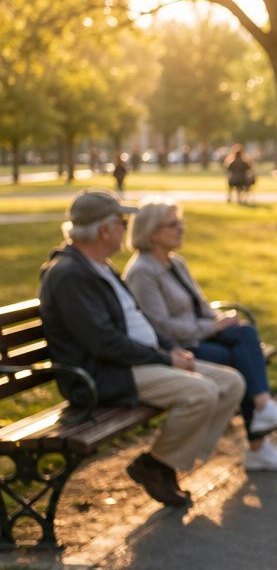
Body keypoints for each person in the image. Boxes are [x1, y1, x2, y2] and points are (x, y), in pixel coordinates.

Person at [38, 190, 245, 507]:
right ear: (104, 230)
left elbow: (140, 321)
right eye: (121, 221)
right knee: (200, 392)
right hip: (103, 375)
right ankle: (155, 466)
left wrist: (170, 350)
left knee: (230, 382)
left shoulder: (101, 267)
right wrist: (165, 358)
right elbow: (102, 342)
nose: (126, 228)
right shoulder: (69, 276)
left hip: (137, 362)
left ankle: (164, 463)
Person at [123, 199, 277, 472]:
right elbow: (162, 328)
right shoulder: (141, 272)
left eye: (181, 222)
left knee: (245, 333)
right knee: (234, 359)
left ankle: (263, 411)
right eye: (174, 224)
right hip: (177, 347)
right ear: (152, 233)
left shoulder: (176, 263)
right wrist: (214, 328)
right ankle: (259, 445)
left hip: (200, 335)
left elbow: (202, 307)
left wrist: (221, 320)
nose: (181, 228)